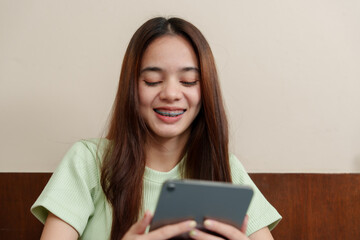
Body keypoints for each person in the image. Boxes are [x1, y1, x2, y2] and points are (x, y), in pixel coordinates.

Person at [31, 17, 281, 240]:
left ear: (205, 90)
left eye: (188, 81)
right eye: (153, 81)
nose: (171, 94)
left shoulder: (226, 168)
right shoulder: (88, 161)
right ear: (131, 87)